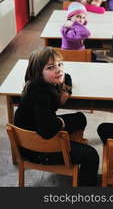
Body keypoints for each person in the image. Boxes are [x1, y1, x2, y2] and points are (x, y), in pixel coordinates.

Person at [14, 47, 99, 186]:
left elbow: (67, 76)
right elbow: (46, 130)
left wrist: (65, 91)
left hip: (34, 137)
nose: (59, 70)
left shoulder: (37, 85)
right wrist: (62, 121)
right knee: (91, 155)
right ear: (38, 73)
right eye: (51, 67)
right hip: (38, 150)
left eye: (60, 64)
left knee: (80, 118)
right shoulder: (42, 96)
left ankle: (69, 147)